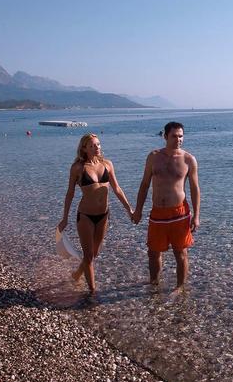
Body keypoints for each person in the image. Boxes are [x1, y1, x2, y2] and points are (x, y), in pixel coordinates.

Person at [59, 133, 133, 293]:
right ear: (84, 148)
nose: (96, 147)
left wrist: (129, 209)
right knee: (88, 255)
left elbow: (117, 189)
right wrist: (64, 218)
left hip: (104, 215)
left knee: (94, 253)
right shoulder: (78, 168)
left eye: (98, 144)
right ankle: (92, 292)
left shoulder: (107, 164)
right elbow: (70, 194)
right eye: (92, 145)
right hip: (85, 215)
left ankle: (77, 274)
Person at [132, 121, 200, 289]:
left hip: (180, 213)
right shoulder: (154, 157)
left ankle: (180, 289)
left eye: (181, 136)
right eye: (174, 136)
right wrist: (138, 210)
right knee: (153, 253)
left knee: (181, 253)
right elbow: (144, 185)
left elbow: (194, 189)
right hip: (158, 213)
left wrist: (197, 216)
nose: (178, 139)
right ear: (165, 136)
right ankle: (154, 285)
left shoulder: (188, 160)